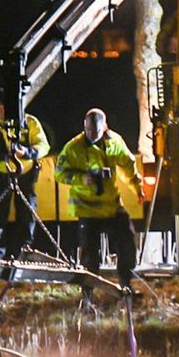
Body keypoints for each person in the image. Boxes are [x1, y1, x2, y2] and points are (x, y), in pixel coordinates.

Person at [56, 109, 142, 295]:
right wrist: (82, 178)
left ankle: (126, 284)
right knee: (90, 255)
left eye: (96, 132)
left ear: (104, 127)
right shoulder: (73, 148)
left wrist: (138, 188)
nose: (92, 136)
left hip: (111, 205)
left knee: (127, 240)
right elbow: (60, 174)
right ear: (84, 127)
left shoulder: (114, 142)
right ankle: (87, 294)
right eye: (89, 131)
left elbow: (128, 165)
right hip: (87, 208)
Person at [0, 91, 50, 260]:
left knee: (27, 215)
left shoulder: (29, 122)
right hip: (1, 175)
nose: (2, 111)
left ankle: (23, 254)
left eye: (5, 107)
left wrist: (27, 152)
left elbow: (44, 145)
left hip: (26, 174)